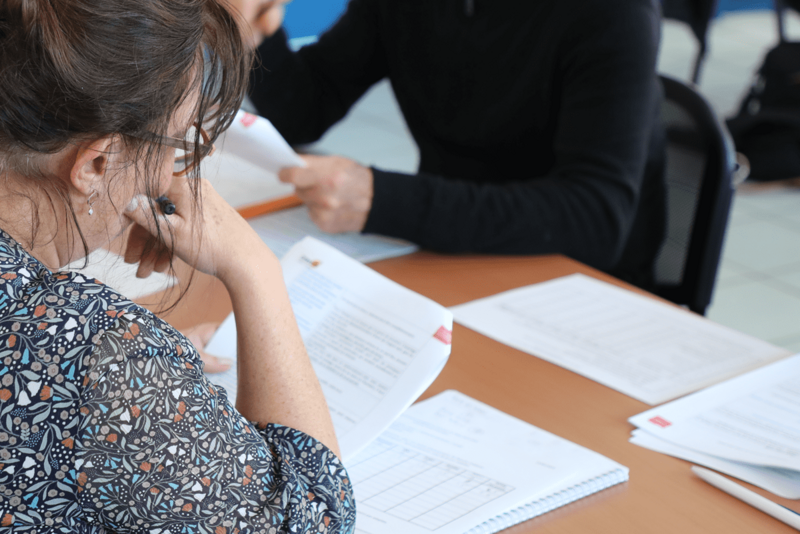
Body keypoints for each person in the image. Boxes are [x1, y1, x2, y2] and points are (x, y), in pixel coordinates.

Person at [0, 1, 354, 532]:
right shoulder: (92, 352)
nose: (169, 173)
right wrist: (254, 267)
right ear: (97, 162)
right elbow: (313, 515)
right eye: (176, 142)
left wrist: (144, 385)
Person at [244, 0, 666, 288]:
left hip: (574, 281)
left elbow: (595, 218)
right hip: (446, 254)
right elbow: (304, 108)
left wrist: (382, 200)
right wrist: (254, 30)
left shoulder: (615, 11)